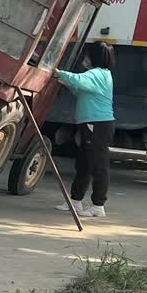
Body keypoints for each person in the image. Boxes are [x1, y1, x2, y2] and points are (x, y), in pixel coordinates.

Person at [53, 42, 116, 218]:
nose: (85, 58)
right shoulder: (100, 75)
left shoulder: (98, 74)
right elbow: (80, 89)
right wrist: (63, 81)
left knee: (98, 165)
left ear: (94, 56)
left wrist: (59, 73)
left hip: (98, 125)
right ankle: (75, 201)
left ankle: (98, 205)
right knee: (84, 164)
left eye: (88, 55)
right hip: (92, 124)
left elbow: (79, 80)